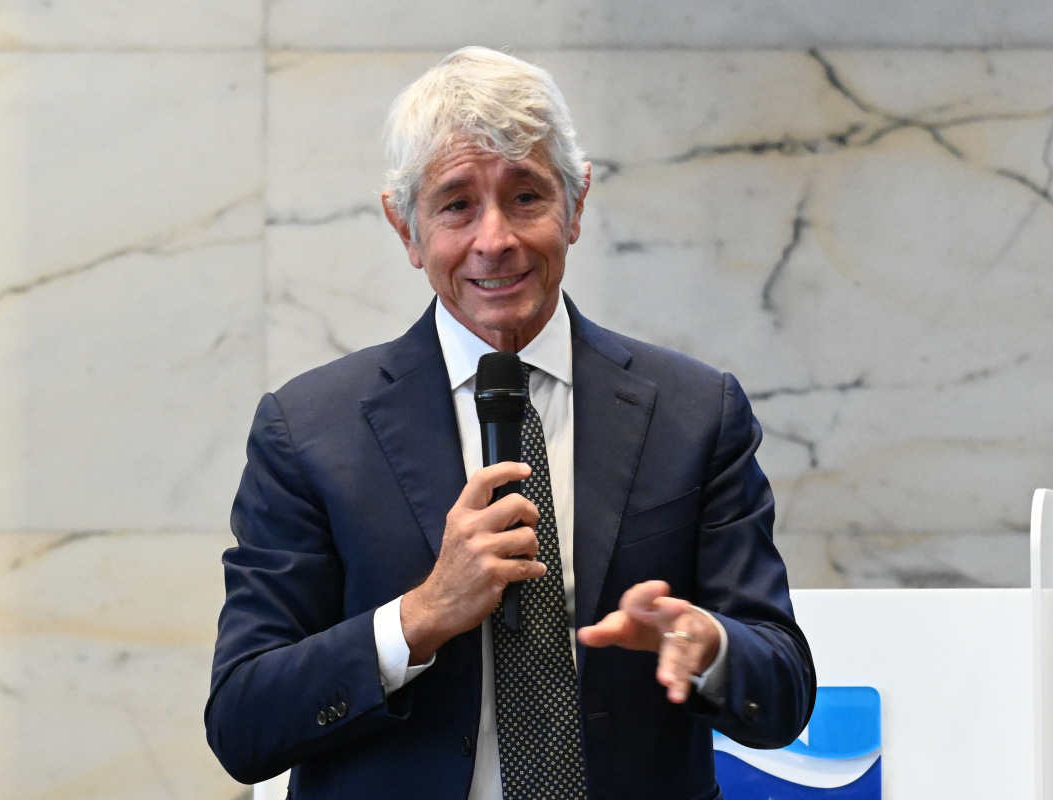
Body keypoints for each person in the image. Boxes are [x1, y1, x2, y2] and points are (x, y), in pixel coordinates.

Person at [206, 46, 815, 800]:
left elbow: (784, 691)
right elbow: (243, 722)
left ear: (576, 204)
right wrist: (420, 617)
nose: (494, 239)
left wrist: (710, 647)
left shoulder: (694, 413)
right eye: (456, 204)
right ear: (406, 228)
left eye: (526, 196)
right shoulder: (308, 431)